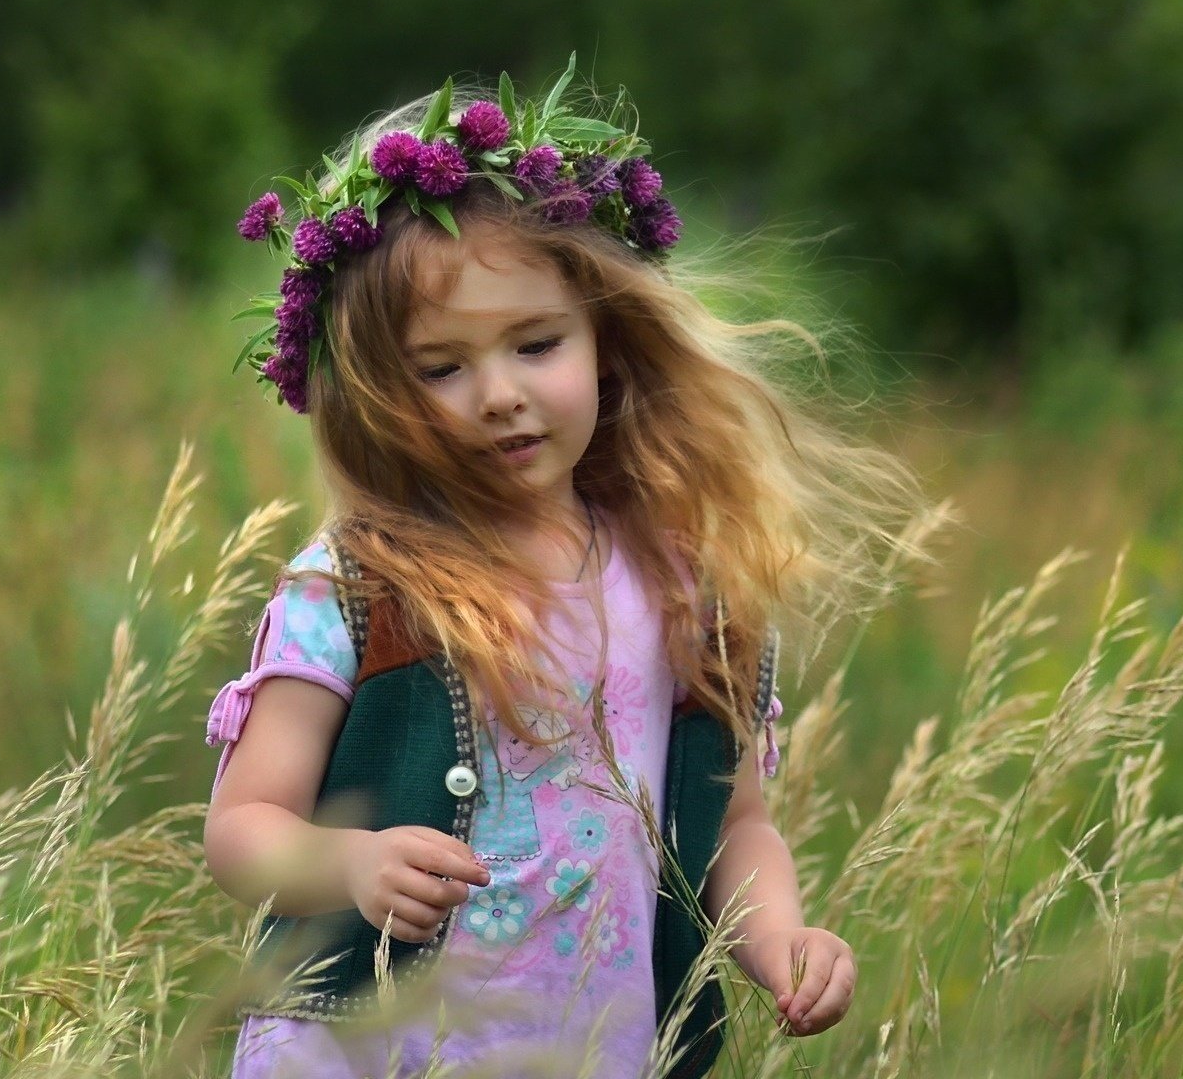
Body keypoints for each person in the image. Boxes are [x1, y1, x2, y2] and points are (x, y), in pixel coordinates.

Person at [202, 57, 927, 1077]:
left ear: (605, 340)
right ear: (375, 394)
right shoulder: (354, 588)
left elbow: (734, 826)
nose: (498, 395)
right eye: (441, 368)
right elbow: (242, 829)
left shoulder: (681, 581)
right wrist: (350, 862)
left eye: (536, 345)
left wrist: (781, 943)